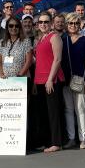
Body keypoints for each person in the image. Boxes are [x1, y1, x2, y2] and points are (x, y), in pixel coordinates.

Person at [33, 15, 65, 153]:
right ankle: (47, 141)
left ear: (51, 23)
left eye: (46, 22)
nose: (43, 24)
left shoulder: (54, 37)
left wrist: (50, 79)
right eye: (41, 22)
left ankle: (56, 142)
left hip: (51, 80)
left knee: (53, 112)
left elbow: (57, 59)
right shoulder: (40, 38)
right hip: (40, 81)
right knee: (43, 113)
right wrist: (35, 82)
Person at [61, 13, 85, 149]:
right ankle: (71, 138)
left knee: (80, 109)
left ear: (80, 24)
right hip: (65, 80)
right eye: (70, 23)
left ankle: (83, 139)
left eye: (75, 23)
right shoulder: (63, 39)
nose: (73, 26)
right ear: (67, 25)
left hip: (80, 79)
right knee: (68, 109)